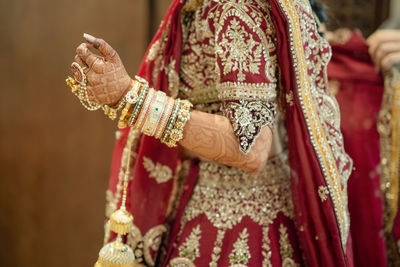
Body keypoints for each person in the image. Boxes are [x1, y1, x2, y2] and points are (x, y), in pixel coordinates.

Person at [68, 0, 353, 266]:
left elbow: (251, 148)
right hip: (217, 203)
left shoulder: (234, 9)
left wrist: (135, 99)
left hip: (232, 229)